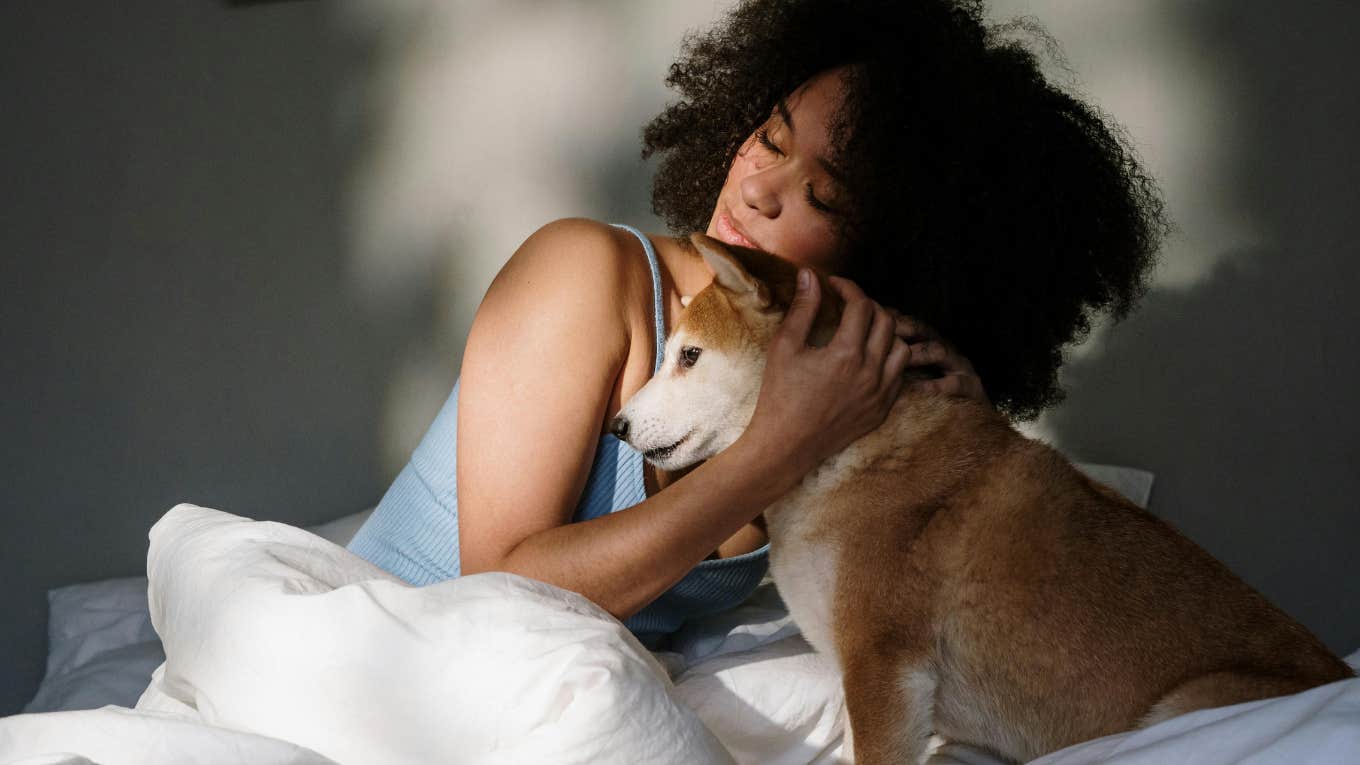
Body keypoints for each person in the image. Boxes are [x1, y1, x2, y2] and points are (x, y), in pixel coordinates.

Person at [348, 0, 1167, 649]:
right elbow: (498, 595)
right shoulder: (584, 275)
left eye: (824, 196)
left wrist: (955, 429)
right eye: (768, 137)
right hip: (387, 673)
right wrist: (781, 447)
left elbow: (944, 615)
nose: (758, 189)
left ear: (895, 258)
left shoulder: (846, 394)